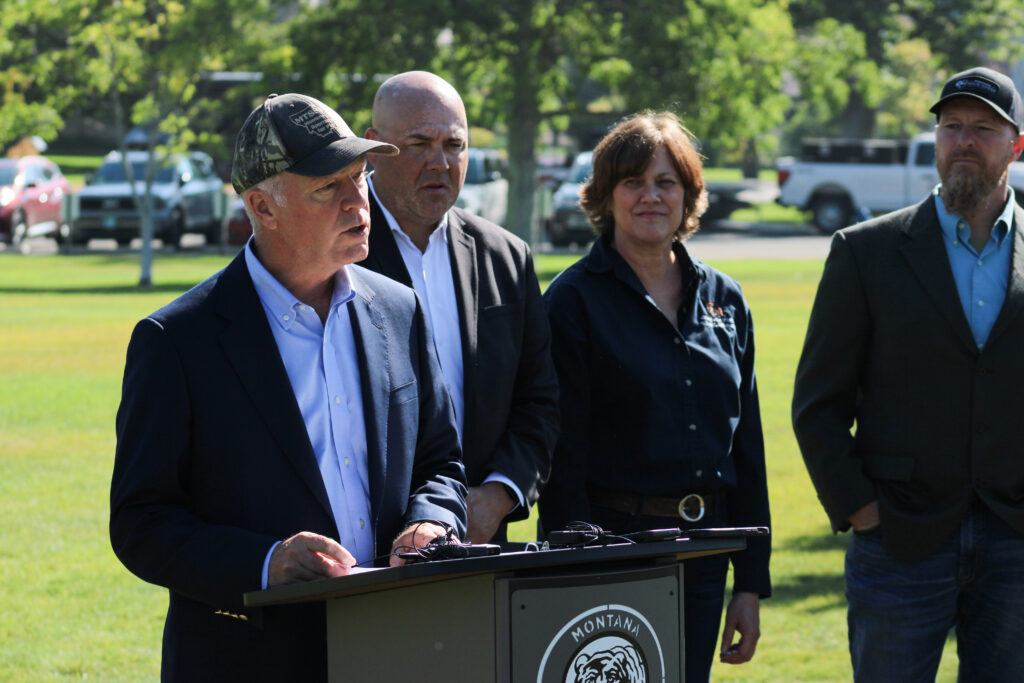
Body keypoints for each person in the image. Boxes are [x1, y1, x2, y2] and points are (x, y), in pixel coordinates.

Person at [109, 93, 468, 681]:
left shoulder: (399, 310)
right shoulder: (176, 341)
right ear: (262, 206)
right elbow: (141, 522)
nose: (360, 202)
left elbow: (440, 461)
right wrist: (266, 562)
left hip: (397, 646)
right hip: (248, 659)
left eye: (360, 177)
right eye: (330, 187)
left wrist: (430, 522)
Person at [793, 67, 1024, 681]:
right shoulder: (865, 252)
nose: (964, 141)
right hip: (899, 539)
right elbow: (818, 403)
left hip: (1016, 539)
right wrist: (860, 507)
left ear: (1016, 145)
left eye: (983, 128)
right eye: (951, 127)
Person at [539, 111, 771, 681]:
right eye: (633, 182)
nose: (650, 196)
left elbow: (747, 447)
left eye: (666, 182)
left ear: (688, 194)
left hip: (706, 552)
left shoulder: (726, 299)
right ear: (605, 195)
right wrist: (569, 571)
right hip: (611, 552)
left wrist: (751, 583)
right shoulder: (572, 301)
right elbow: (560, 453)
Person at [360, 71, 559, 544]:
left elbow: (540, 402)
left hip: (480, 543)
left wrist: (496, 495)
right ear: (372, 146)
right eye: (418, 143)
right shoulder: (335, 252)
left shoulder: (506, 257)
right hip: (367, 550)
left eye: (454, 144)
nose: (440, 162)